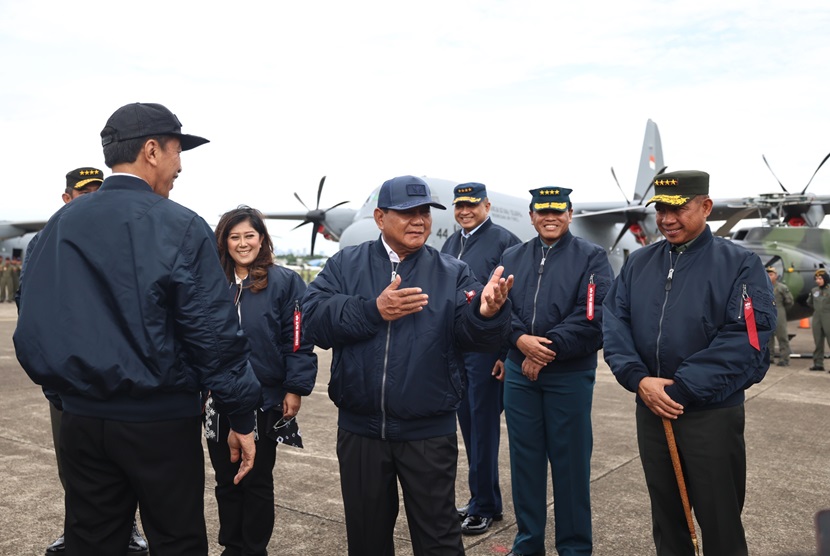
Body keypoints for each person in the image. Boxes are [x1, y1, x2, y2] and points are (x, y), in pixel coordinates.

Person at [14, 102, 261, 556]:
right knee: (176, 541)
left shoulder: (55, 228)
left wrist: (68, 396)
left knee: (92, 542)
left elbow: (32, 327)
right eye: (176, 154)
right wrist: (242, 415)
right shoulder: (181, 225)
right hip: (158, 421)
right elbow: (213, 336)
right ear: (151, 150)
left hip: (82, 422)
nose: (179, 166)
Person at [301, 175, 514, 556]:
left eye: (424, 212)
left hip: (427, 434)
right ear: (380, 217)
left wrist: (487, 313)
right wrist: (372, 310)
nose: (418, 220)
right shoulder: (346, 264)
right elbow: (312, 318)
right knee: (367, 540)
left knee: (438, 540)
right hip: (360, 431)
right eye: (406, 212)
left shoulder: (452, 272)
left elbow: (475, 337)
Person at [603, 170, 775, 556]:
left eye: (678, 209)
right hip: (650, 407)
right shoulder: (638, 264)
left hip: (709, 414)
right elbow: (614, 324)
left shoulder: (740, 265)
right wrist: (639, 380)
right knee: (667, 518)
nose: (666, 219)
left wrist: (680, 390)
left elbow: (747, 339)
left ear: (706, 207)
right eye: (661, 209)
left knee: (720, 521)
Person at [18, 167, 149, 554]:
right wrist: (50, 374)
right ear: (66, 198)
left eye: (97, 190)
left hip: (121, 373)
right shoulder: (45, 241)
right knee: (73, 462)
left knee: (130, 461)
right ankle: (77, 529)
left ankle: (129, 528)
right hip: (70, 376)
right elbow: (32, 309)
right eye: (83, 191)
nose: (91, 196)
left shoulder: (126, 236)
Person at [497, 186, 612, 556]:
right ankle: (528, 543)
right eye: (542, 211)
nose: (550, 217)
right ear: (531, 216)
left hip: (568, 376)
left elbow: (592, 315)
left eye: (558, 211)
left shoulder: (592, 258)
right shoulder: (511, 256)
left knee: (571, 466)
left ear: (570, 213)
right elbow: (499, 309)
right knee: (525, 463)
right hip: (520, 374)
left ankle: (575, 548)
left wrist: (544, 349)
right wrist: (520, 341)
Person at [206, 206, 318, 555]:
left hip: (263, 396)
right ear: (224, 241)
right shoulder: (211, 282)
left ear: (262, 239)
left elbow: (297, 337)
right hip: (217, 398)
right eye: (234, 236)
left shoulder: (284, 281)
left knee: (255, 477)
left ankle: (253, 548)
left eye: (249, 235)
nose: (242, 243)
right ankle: (232, 545)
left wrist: (295, 387)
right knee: (226, 478)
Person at [440, 182, 520, 535]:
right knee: (468, 428)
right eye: (460, 205)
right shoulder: (451, 242)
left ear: (487, 205)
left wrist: (505, 352)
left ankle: (484, 506)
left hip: (486, 352)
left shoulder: (505, 242)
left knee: (484, 430)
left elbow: (515, 299)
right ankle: (481, 499)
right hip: (458, 350)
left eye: (472, 205)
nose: (465, 211)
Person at [766, 266, 794, 367]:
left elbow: (789, 301)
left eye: (771, 274)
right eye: (767, 274)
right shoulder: (764, 286)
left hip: (779, 311)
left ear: (776, 276)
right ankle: (769, 357)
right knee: (768, 337)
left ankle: (784, 358)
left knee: (782, 336)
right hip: (768, 312)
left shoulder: (782, 287)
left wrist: (782, 310)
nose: (769, 277)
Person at [808, 268, 830, 371]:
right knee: (818, 341)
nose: (818, 280)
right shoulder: (814, 290)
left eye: (820, 278)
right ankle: (818, 363)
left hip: (828, 317)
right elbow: (810, 302)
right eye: (816, 278)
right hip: (817, 318)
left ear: (825, 279)